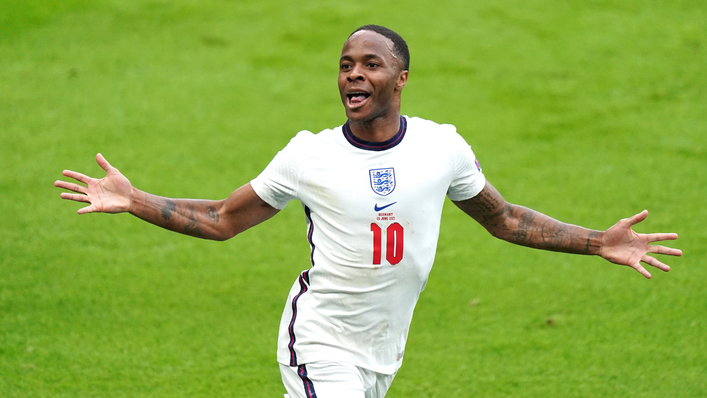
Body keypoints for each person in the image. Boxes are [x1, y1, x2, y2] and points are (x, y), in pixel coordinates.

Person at [55, 25, 681, 398]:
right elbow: (224, 218)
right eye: (345, 65)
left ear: (400, 78)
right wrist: (133, 199)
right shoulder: (309, 157)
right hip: (318, 340)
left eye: (369, 65)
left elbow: (505, 219)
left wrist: (599, 242)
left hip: (383, 349)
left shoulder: (443, 147)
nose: (353, 74)